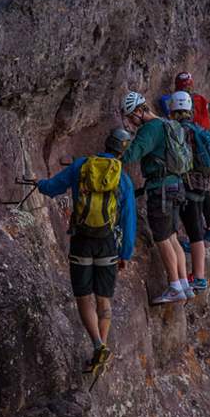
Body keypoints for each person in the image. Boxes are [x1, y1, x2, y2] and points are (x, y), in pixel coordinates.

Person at [37, 128, 137, 374]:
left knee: (83, 297)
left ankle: (98, 344)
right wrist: (125, 253)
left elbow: (51, 188)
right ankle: (101, 350)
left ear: (105, 143)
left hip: (82, 240)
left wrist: (39, 183)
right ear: (122, 152)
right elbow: (128, 219)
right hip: (108, 243)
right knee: (104, 299)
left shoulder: (82, 166)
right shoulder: (122, 178)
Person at [118, 91, 193, 304]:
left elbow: (132, 155)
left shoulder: (150, 129)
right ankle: (183, 284)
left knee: (161, 236)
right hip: (176, 185)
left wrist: (119, 145)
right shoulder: (167, 124)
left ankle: (175, 285)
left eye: (132, 116)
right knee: (171, 236)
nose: (131, 122)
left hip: (161, 189)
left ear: (141, 111)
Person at [168, 91, 210, 295]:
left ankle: (198, 277)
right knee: (196, 231)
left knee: (194, 232)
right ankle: (199, 277)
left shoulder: (179, 130)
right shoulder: (198, 129)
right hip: (201, 186)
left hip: (186, 186)